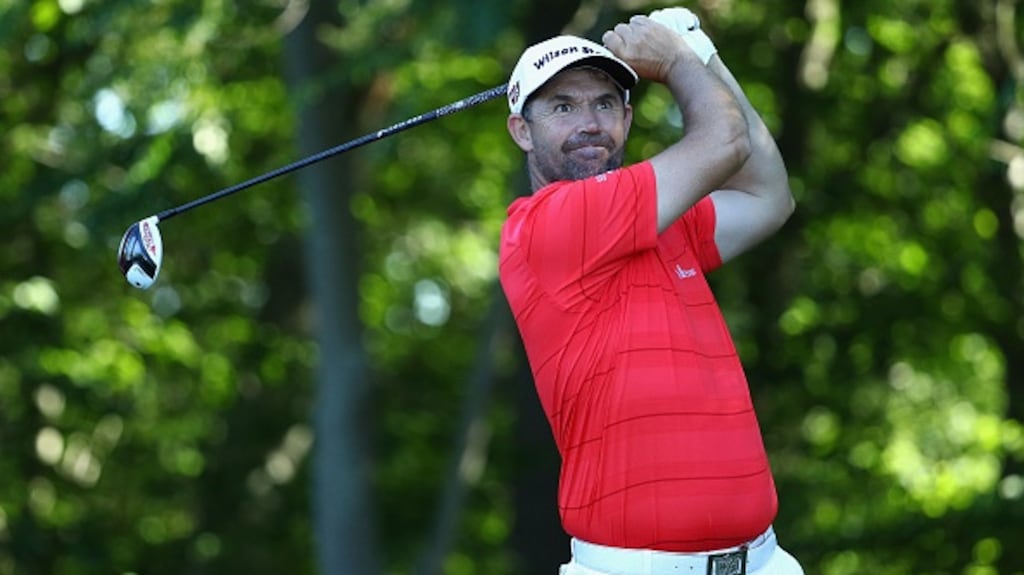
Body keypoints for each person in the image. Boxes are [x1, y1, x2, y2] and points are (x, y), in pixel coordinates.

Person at [498, 6, 803, 575]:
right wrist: (679, 61)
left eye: (605, 103)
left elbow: (769, 195)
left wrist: (701, 53)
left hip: (763, 561)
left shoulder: (660, 221)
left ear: (628, 118)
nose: (589, 122)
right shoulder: (548, 223)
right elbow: (723, 141)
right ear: (522, 129)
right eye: (563, 106)